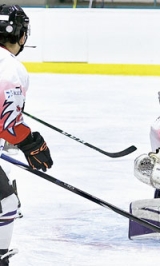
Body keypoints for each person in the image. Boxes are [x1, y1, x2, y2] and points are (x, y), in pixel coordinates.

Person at [0, 5, 53, 265]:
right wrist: (30, 142)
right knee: (6, 203)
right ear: (21, 34)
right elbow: (7, 123)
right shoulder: (10, 68)